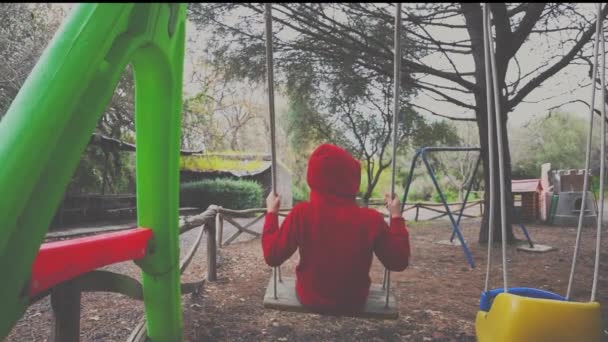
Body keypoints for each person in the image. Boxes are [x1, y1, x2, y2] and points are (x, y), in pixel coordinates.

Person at [262, 143, 410, 313]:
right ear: (352, 178)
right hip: (354, 301)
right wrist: (397, 217)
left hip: (310, 297)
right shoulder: (371, 219)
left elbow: (272, 256)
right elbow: (398, 261)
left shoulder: (302, 214)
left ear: (313, 176)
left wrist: (272, 213)